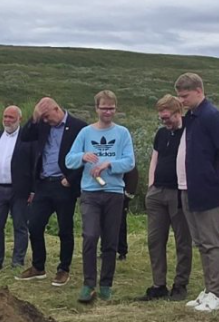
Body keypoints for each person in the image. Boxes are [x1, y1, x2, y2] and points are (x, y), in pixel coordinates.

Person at [64, 90, 135, 302]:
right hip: (90, 193)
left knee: (110, 241)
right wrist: (83, 157)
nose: (107, 111)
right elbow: (69, 160)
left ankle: (106, 284)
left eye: (111, 108)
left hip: (114, 193)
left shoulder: (122, 133)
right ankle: (88, 284)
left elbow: (130, 162)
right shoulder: (86, 133)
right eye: (104, 107)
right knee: (91, 235)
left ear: (116, 108)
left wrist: (109, 164)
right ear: (96, 108)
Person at [175, 72, 219, 312]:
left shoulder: (213, 117)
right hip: (188, 187)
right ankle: (209, 289)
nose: (182, 101)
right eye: (179, 96)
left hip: (206, 188)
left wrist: (212, 172)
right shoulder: (192, 117)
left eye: (185, 96)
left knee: (212, 242)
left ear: (199, 91)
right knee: (200, 242)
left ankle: (218, 294)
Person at [16, 97, 88, 286]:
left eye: (47, 117)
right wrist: (34, 118)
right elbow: (24, 136)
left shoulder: (78, 126)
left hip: (64, 184)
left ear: (57, 109)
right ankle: (38, 267)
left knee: (64, 229)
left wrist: (70, 179)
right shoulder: (42, 125)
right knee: (35, 225)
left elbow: (85, 157)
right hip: (43, 183)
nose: (46, 121)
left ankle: (63, 269)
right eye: (43, 118)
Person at [140, 95, 192, 301]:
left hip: (178, 193)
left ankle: (180, 285)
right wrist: (150, 184)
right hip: (157, 193)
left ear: (178, 112)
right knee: (155, 240)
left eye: (167, 117)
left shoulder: (189, 132)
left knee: (182, 241)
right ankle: (158, 284)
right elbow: (155, 158)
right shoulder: (161, 134)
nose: (165, 121)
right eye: (161, 118)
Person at [0, 105, 34, 274]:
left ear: (20, 119)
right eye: (5, 116)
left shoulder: (27, 139)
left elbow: (34, 164)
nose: (7, 120)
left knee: (20, 226)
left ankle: (17, 261)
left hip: (19, 190)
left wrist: (32, 190)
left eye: (11, 117)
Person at [117, 166, 138, 261]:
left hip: (122, 196)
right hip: (109, 193)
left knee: (120, 223)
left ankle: (122, 251)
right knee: (104, 223)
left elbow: (132, 175)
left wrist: (128, 194)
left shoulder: (127, 155)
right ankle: (105, 249)